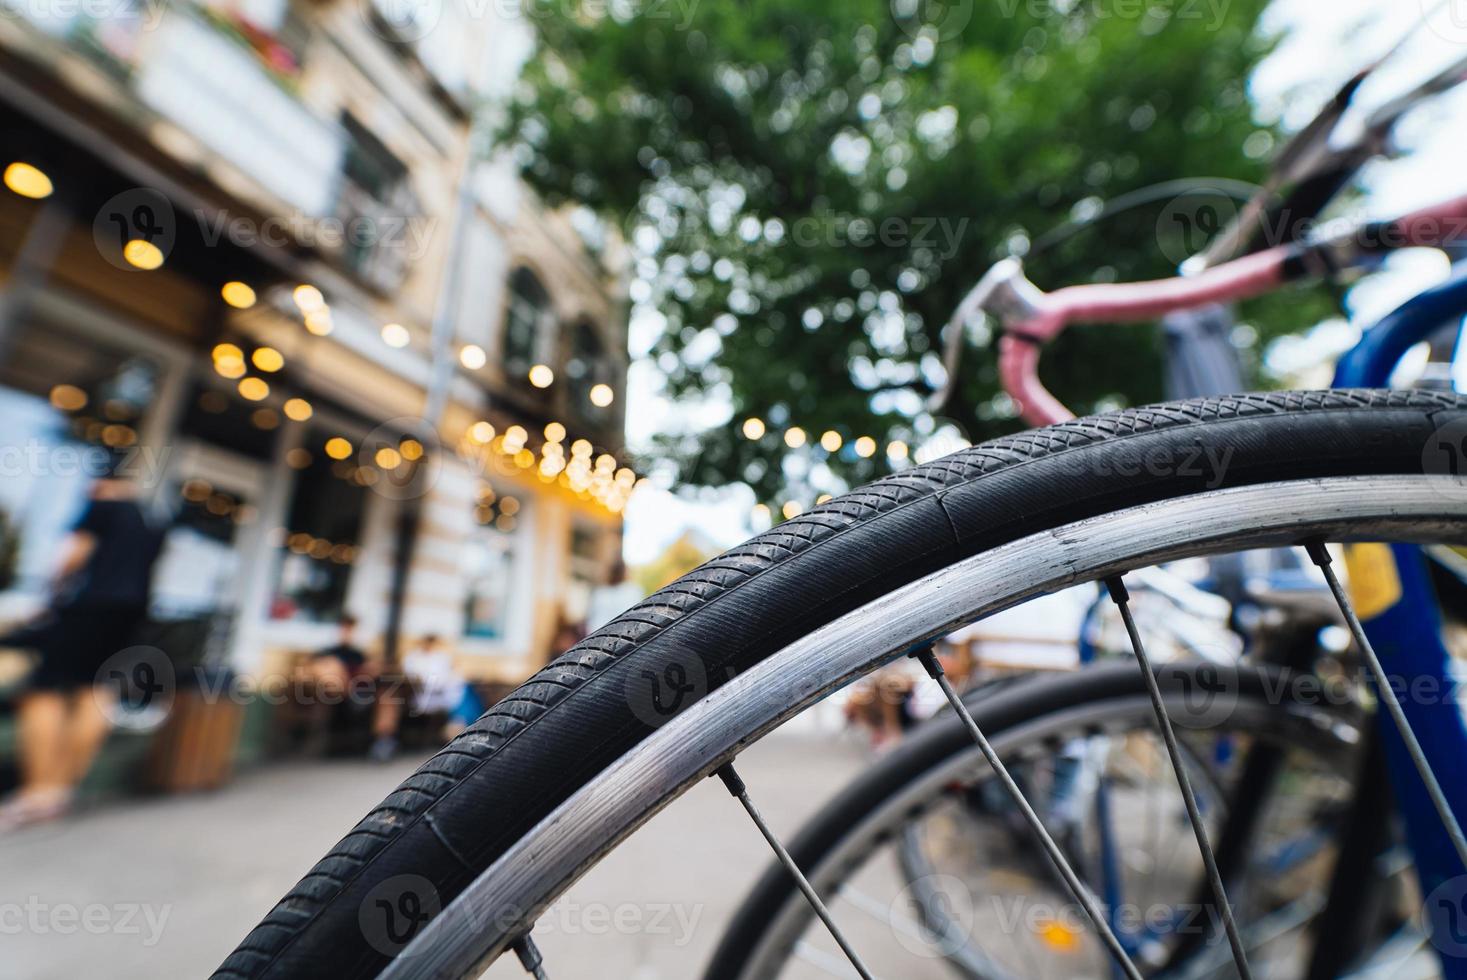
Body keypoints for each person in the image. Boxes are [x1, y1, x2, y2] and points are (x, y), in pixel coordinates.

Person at [0, 472, 166, 831]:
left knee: (42, 690)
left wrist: (50, 594)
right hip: (131, 614)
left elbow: (75, 555)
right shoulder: (151, 521)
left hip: (90, 606)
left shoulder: (103, 506)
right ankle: (60, 791)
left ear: (104, 484)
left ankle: (37, 793)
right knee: (97, 689)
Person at [369, 634, 468, 761]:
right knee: (389, 698)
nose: (428, 645)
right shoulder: (413, 658)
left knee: (389, 697)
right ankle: (384, 740)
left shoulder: (441, 658)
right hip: (412, 696)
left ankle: (385, 741)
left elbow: (444, 681)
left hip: (429, 697)